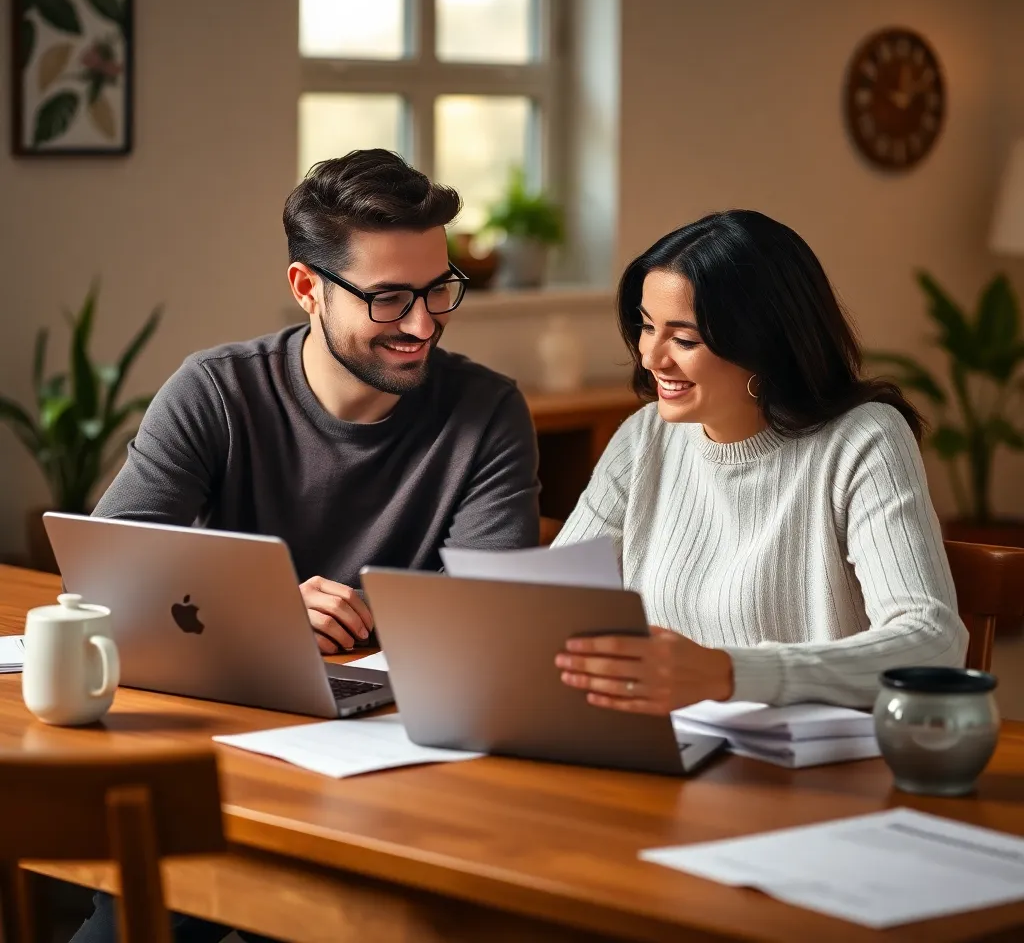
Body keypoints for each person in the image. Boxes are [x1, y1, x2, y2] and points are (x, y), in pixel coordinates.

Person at [71, 149, 540, 943]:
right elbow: (103, 578)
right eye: (389, 298)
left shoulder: (488, 413)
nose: (422, 324)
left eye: (438, 291)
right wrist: (263, 615)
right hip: (220, 750)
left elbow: (496, 629)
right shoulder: (217, 390)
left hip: (400, 768)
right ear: (306, 288)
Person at [553, 210, 966, 715]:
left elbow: (933, 644)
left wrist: (727, 674)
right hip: (673, 751)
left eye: (684, 339)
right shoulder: (644, 439)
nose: (651, 357)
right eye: (646, 327)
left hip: (816, 769)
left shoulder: (863, 438)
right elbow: (550, 605)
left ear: (762, 346)